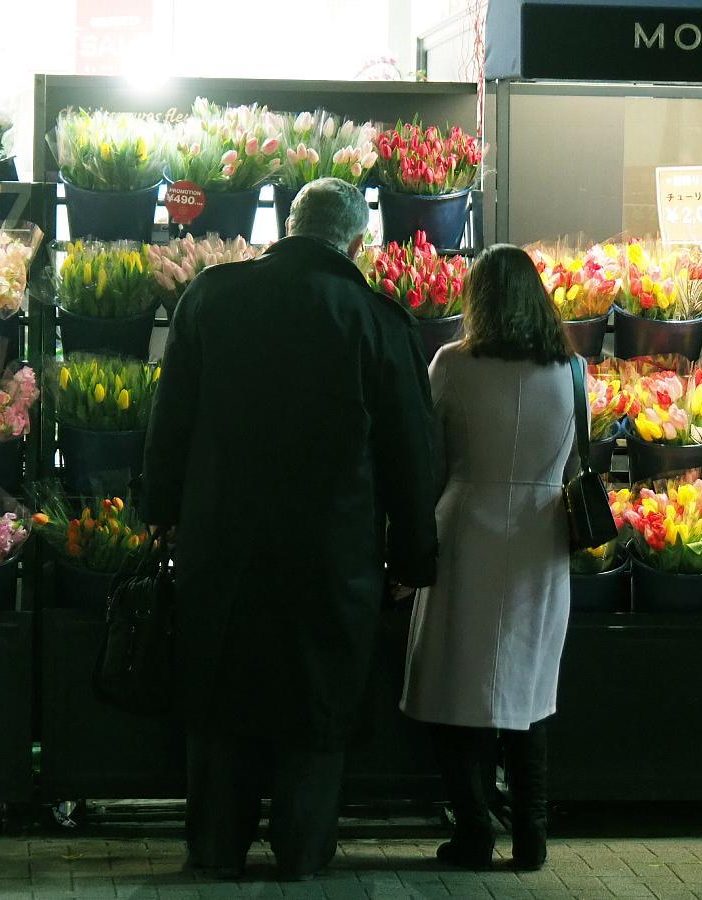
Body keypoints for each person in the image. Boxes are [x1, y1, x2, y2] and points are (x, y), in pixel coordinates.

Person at [142, 177, 438, 881]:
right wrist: (413, 559)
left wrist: (160, 516)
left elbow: (169, 424)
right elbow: (411, 453)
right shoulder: (378, 320)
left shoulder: (209, 299)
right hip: (333, 556)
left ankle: (216, 848)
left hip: (223, 545)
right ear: (357, 242)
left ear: (285, 224)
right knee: (317, 706)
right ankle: (303, 854)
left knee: (222, 700)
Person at [400, 243, 580, 872]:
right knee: (530, 690)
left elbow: (429, 453)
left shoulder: (452, 363)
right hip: (542, 535)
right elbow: (578, 457)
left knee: (455, 685)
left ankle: (473, 831)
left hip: (467, 527)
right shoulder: (570, 369)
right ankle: (531, 836)